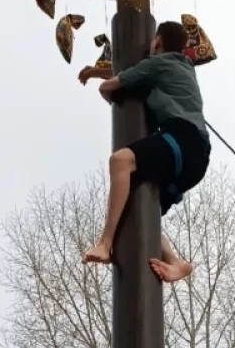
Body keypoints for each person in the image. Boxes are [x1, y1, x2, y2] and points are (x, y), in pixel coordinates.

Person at [78, 21, 211, 284]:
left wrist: (105, 90)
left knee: (120, 161)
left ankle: (105, 244)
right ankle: (175, 262)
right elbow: (135, 77)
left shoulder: (159, 63)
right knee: (140, 209)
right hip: (194, 158)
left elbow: (113, 85)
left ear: (157, 41)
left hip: (182, 139)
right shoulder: (182, 67)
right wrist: (97, 72)